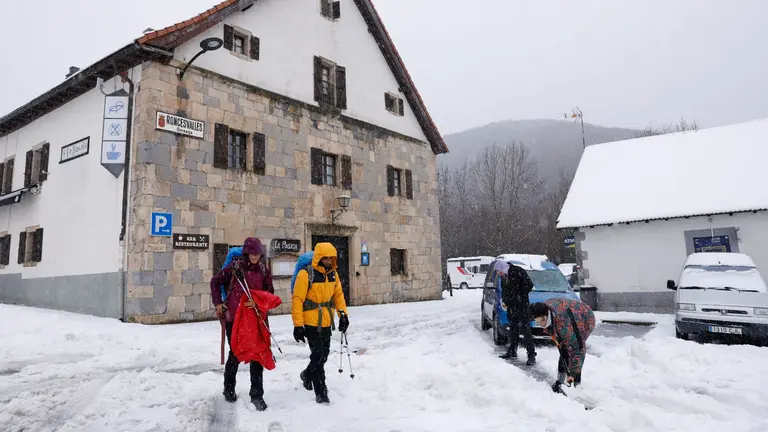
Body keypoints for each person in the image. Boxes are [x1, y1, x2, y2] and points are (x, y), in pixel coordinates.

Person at [210, 237, 274, 411]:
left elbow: (269, 292)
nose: (255, 256)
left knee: (258, 354)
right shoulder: (235, 268)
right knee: (236, 353)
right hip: (235, 318)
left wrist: (258, 302)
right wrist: (218, 303)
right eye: (252, 253)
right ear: (246, 252)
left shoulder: (263, 270)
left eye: (257, 253)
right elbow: (215, 282)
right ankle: (228, 388)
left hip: (256, 318)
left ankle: (257, 394)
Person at [291, 242, 349, 404]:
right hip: (310, 322)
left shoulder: (333, 275)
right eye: (326, 258)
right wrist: (298, 324)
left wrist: (343, 315)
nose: (329, 261)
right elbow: (297, 299)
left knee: (323, 355)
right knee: (317, 355)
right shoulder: (305, 274)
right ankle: (321, 391)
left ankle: (306, 374)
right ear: (319, 257)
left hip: (326, 321)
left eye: (331, 258)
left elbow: (338, 295)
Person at [529, 298, 595, 387]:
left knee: (573, 349)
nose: (541, 324)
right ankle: (561, 380)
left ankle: (576, 385)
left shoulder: (563, 324)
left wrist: (572, 374)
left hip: (585, 319)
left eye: (542, 320)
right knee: (563, 348)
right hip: (569, 314)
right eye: (538, 322)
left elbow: (579, 350)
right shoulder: (542, 310)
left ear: (547, 315)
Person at [496, 260, 537, 365]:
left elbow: (529, 285)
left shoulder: (518, 271)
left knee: (526, 330)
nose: (498, 273)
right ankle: (512, 351)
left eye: (499, 271)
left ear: (503, 268)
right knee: (513, 330)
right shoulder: (504, 275)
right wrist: (505, 299)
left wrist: (520, 296)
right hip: (511, 307)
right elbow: (505, 290)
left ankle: (531, 355)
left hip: (522, 306)